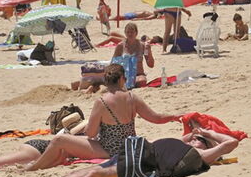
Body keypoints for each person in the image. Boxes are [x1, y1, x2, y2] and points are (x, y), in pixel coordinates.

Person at [3, 126, 240, 177]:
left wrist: (208, 133)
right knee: (89, 169)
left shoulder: (200, 156)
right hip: (136, 153)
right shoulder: (182, 143)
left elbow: (231, 143)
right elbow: (183, 138)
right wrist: (193, 135)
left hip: (142, 166)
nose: (195, 140)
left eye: (200, 141)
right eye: (195, 138)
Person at [32, 63, 179, 170]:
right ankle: (43, 164)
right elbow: (156, 118)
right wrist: (175, 116)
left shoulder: (102, 102)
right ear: (122, 79)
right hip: (128, 146)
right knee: (66, 145)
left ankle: (33, 168)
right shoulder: (133, 98)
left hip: (109, 150)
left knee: (59, 140)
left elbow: (91, 134)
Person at [112, 22, 154, 87]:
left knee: (141, 82)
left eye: (132, 32)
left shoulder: (142, 46)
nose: (130, 34)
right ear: (125, 33)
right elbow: (113, 63)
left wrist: (149, 51)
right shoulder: (120, 46)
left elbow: (150, 65)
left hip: (138, 74)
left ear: (136, 33)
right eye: (128, 32)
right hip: (125, 75)